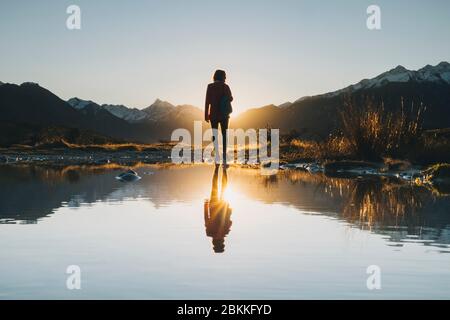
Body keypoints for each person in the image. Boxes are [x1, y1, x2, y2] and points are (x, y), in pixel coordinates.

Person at [204, 69, 233, 165]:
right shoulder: (225, 87)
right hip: (224, 115)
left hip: (213, 115)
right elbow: (231, 98)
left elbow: (207, 101)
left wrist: (206, 115)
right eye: (225, 76)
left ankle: (217, 155)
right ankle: (224, 155)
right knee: (225, 135)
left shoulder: (210, 86)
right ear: (223, 77)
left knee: (215, 134)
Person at [204, 166, 232, 253]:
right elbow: (206, 218)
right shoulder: (209, 233)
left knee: (224, 187)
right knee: (214, 186)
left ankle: (223, 169)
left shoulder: (225, 232)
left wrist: (229, 209)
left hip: (223, 207)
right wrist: (205, 205)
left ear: (222, 243)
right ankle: (216, 168)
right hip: (213, 207)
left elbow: (229, 220)